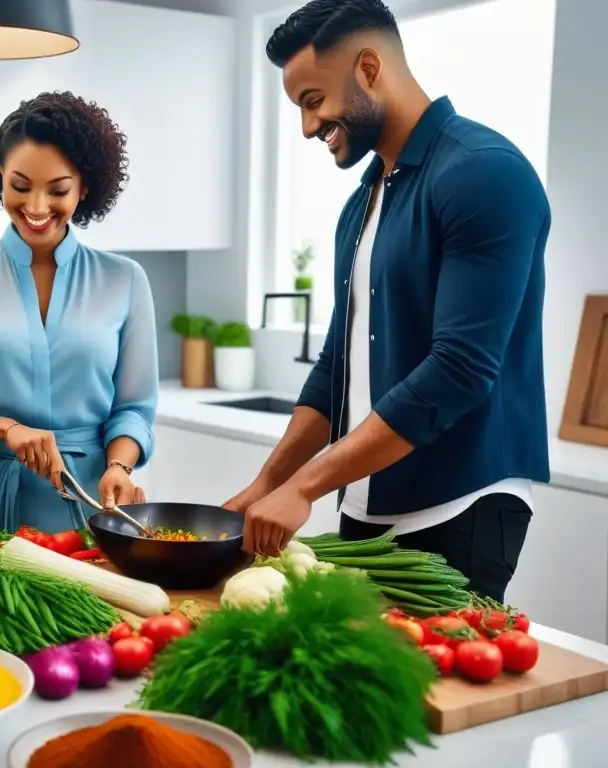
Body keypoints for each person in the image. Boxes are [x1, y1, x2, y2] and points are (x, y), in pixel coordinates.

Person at [224, 0, 550, 602]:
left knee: (449, 694)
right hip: (369, 509)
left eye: (312, 100)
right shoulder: (362, 202)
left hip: (461, 504)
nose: (305, 126)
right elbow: (333, 373)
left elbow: (459, 370)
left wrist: (306, 486)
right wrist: (268, 483)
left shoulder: (484, 173)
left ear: (369, 67)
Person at [0, 91, 158, 547]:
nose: (37, 207)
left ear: (85, 187)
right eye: (20, 186)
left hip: (84, 508)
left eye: (58, 190)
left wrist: (119, 466)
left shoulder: (126, 280)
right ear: (0, 175)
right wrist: (6, 429)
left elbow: (135, 411)